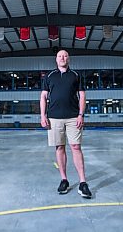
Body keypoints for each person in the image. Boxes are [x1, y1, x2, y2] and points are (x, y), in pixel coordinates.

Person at [40, 49, 92, 198]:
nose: (62, 58)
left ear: (68, 59)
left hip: (73, 117)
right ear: (56, 59)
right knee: (59, 148)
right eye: (60, 56)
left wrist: (81, 114)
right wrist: (43, 115)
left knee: (76, 147)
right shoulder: (49, 76)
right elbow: (43, 96)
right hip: (54, 118)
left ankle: (83, 182)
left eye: (65, 56)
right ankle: (64, 180)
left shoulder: (76, 75)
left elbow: (82, 96)